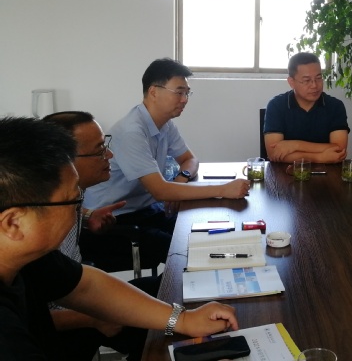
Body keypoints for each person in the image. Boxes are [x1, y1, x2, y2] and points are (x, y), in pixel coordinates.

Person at [0, 116, 239, 360]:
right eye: (73, 200)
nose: (80, 210)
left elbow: (85, 286)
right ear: (13, 223)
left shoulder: (30, 259)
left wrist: (183, 319)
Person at [83, 58, 250, 262]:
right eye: (179, 92)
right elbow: (160, 191)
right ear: (154, 91)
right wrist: (223, 189)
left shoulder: (165, 124)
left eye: (187, 93)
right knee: (186, 252)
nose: (185, 99)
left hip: (146, 210)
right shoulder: (131, 131)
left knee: (204, 230)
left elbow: (190, 159)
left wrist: (181, 178)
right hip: (112, 221)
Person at [43, 111, 158, 361]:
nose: (109, 155)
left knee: (163, 290)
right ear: (65, 161)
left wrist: (87, 216)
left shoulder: (72, 196)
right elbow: (27, 317)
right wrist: (94, 318)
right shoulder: (37, 226)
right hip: (59, 330)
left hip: (83, 299)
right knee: (156, 331)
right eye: (99, 151)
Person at [263, 52, 349, 163]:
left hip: (328, 172)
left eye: (318, 78)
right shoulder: (276, 105)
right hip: (285, 172)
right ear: (291, 82)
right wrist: (320, 157)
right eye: (307, 80)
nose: (314, 85)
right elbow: (274, 153)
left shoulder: (335, 106)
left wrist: (295, 145)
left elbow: (339, 150)